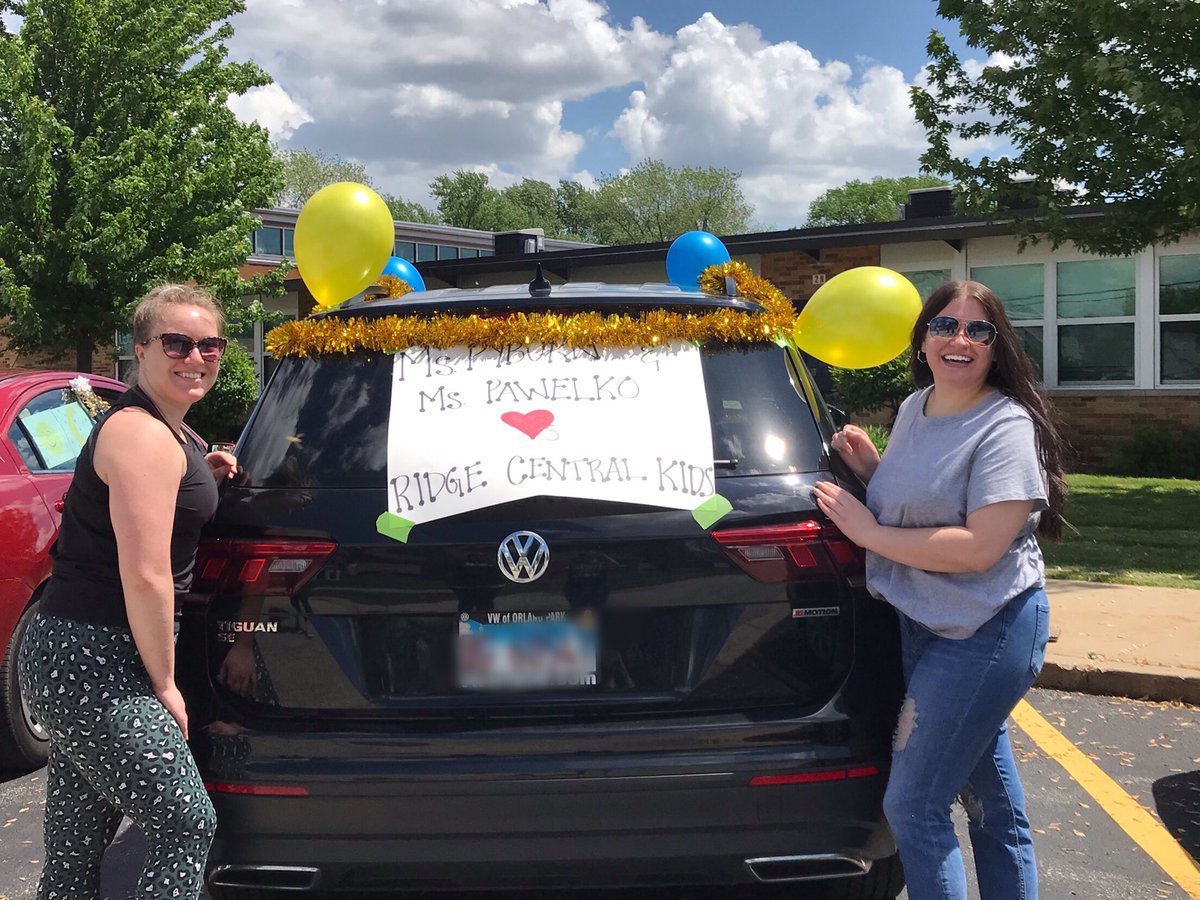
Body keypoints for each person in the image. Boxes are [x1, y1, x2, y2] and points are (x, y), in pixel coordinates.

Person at [813, 279, 1068, 900]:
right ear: (923, 340)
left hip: (988, 628)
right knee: (991, 803)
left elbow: (979, 546)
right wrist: (874, 471)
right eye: (945, 326)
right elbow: (926, 504)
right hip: (924, 623)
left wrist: (869, 533)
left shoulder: (1005, 425)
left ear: (996, 347)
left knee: (914, 805)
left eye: (979, 330)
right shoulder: (915, 407)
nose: (961, 339)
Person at [18, 283, 237, 899]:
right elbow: (146, 574)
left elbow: (161, 493)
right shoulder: (141, 434)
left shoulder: (168, 432)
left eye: (210, 345)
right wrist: (165, 684)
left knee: (75, 850)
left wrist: (204, 473)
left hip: (75, 652)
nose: (195, 357)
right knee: (184, 824)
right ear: (139, 350)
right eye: (177, 343)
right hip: (93, 660)